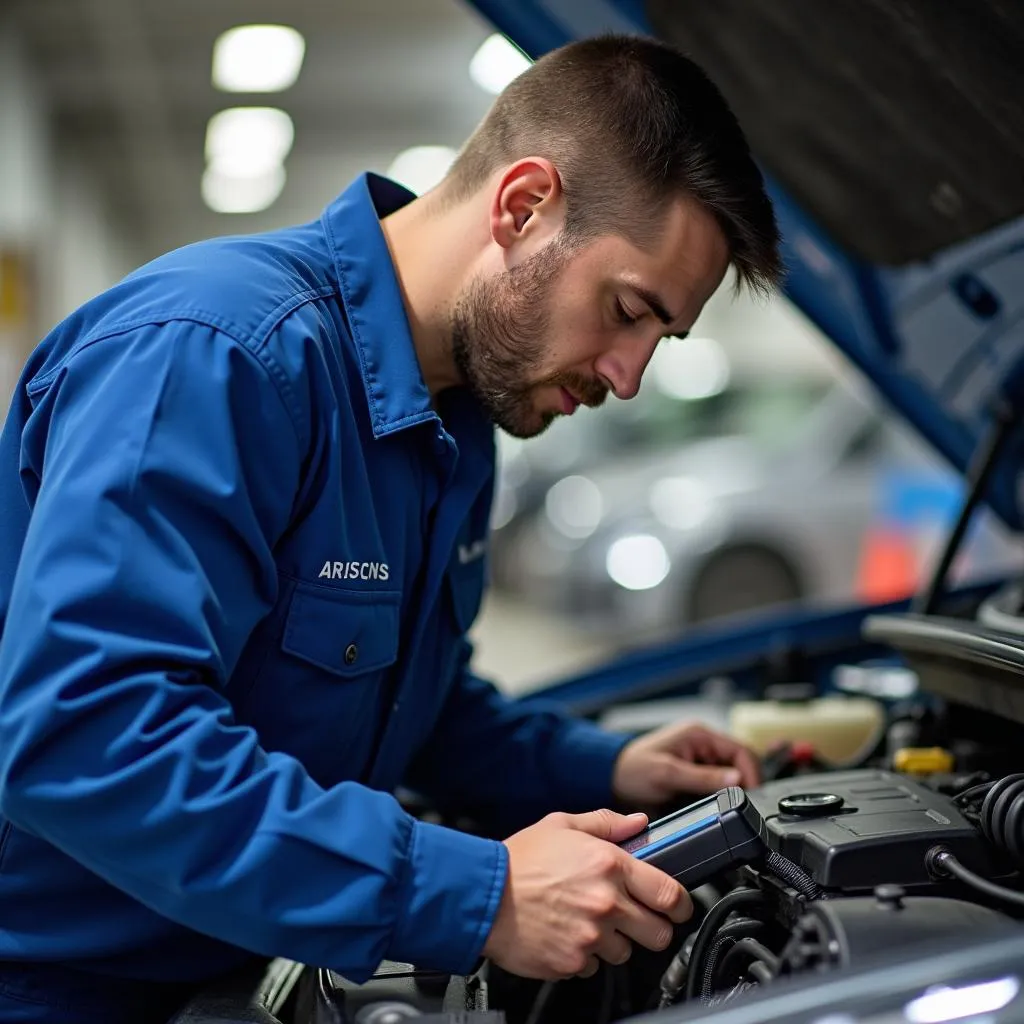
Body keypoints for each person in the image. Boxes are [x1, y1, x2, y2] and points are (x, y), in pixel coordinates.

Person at [0, 33, 779, 1024]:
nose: (628, 377)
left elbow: (405, 705)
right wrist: (473, 891)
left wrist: (601, 767)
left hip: (232, 967)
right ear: (522, 206)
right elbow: (88, 736)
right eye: (626, 310)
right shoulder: (216, 357)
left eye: (657, 340)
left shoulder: (454, 419)